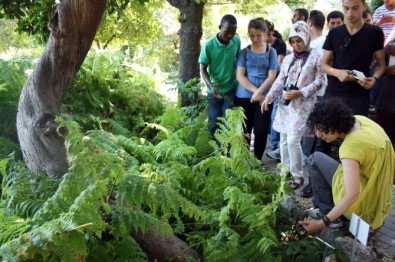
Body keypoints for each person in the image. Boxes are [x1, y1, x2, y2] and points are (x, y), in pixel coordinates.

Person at [299, 98, 394, 234]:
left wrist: (322, 223)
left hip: (363, 203)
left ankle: (330, 215)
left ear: (333, 125)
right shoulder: (361, 120)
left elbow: (352, 195)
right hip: (380, 194)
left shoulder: (350, 148)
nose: (318, 135)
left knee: (315, 158)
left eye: (321, 129)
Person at [261, 21, 326, 189]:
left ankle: (298, 175)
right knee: (283, 139)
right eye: (293, 41)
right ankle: (285, 170)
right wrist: (268, 97)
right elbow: (280, 80)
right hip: (286, 104)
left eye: (299, 40)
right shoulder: (288, 58)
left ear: (306, 38)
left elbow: (320, 81)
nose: (296, 45)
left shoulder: (316, 56)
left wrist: (301, 92)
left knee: (292, 140)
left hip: (303, 105)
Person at [321, 0, 386, 117]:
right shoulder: (334, 33)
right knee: (328, 133)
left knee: (355, 134)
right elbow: (323, 65)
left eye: (355, 8)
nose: (350, 13)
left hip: (359, 95)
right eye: (346, 8)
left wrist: (374, 79)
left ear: (364, 6)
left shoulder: (374, 33)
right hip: (333, 92)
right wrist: (337, 73)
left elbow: (381, 65)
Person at [235, 18, 278, 161]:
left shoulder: (271, 52)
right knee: (245, 130)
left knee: (260, 130)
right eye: (252, 36)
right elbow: (240, 76)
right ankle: (245, 160)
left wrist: (260, 93)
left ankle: (257, 160)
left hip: (264, 97)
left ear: (265, 34)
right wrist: (256, 91)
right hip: (244, 95)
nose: (255, 39)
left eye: (258, 35)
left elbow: (272, 76)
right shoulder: (244, 52)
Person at [199, 14, 241, 135]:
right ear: (220, 27)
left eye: (233, 32)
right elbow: (202, 69)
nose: (230, 35)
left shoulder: (236, 41)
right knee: (213, 121)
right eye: (227, 31)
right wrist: (211, 86)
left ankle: (225, 150)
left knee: (228, 121)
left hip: (231, 88)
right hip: (214, 90)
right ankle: (212, 150)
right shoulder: (208, 46)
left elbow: (238, 63)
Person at [265, 21, 287, 159]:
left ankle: (275, 146)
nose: (266, 37)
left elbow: (279, 65)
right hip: (263, 82)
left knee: (275, 113)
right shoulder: (259, 44)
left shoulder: (280, 44)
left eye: (268, 34)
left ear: (272, 32)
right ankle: (273, 143)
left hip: (277, 83)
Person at [374, 38, 395, 146]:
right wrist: (387, 69)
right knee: (381, 143)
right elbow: (374, 67)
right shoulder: (390, 45)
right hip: (386, 104)